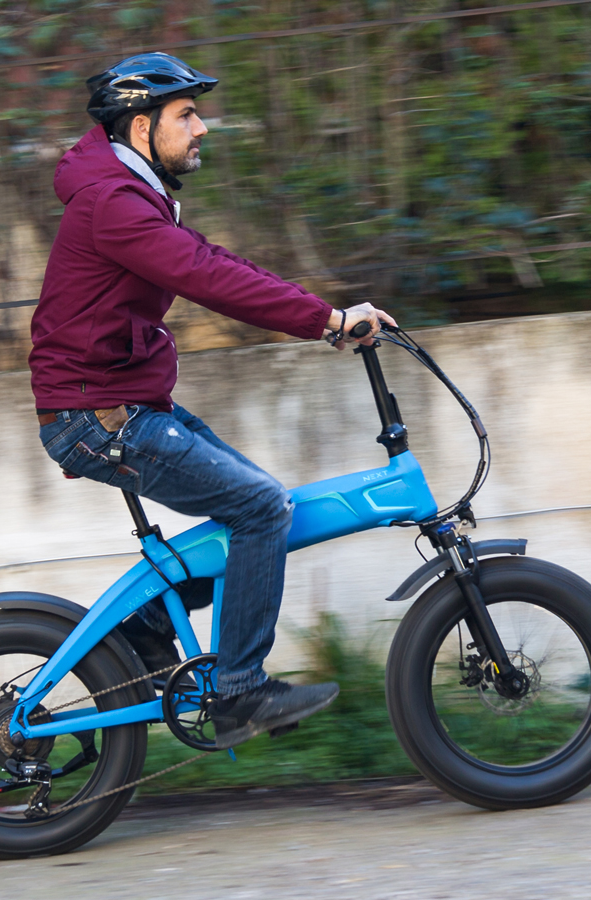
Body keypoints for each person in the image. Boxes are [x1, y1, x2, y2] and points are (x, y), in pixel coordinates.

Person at [29, 52, 396, 749]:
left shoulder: (130, 191)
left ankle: (142, 636)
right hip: (99, 417)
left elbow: (216, 261)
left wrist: (324, 313)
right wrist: (324, 321)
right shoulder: (115, 202)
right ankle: (239, 692)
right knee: (261, 508)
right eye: (187, 115)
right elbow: (203, 277)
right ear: (142, 126)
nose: (202, 128)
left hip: (125, 406)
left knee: (252, 512)